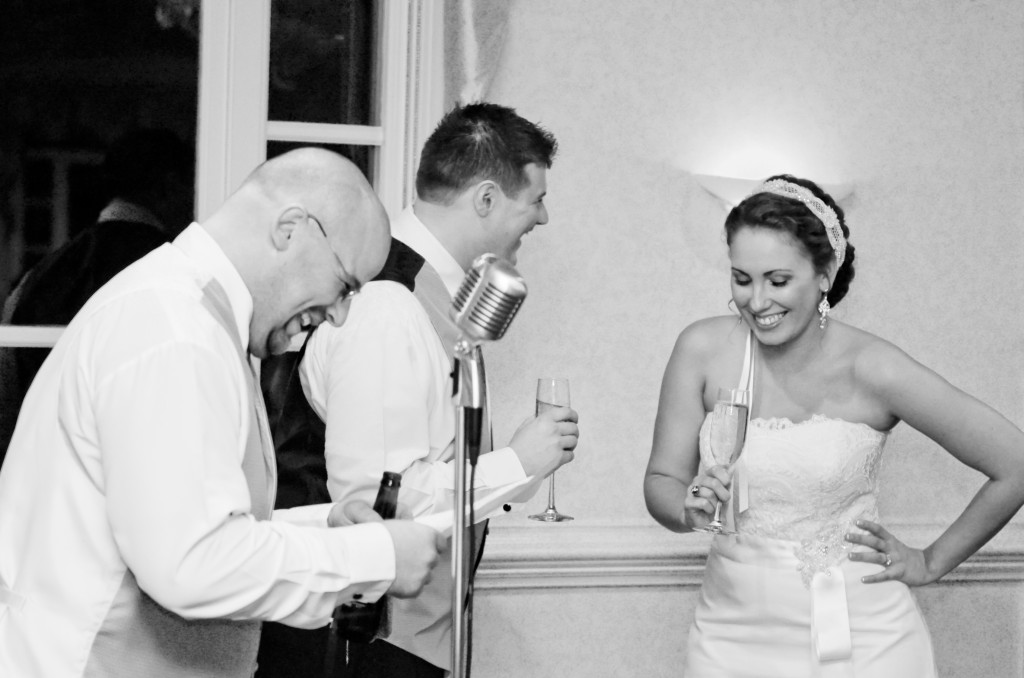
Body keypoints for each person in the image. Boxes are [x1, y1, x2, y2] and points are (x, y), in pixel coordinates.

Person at [0, 147, 444, 678]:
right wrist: (373, 558)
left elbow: (185, 519)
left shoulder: (196, 319)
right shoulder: (175, 332)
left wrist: (327, 528)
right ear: (290, 230)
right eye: (345, 285)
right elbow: (192, 564)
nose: (340, 315)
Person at [644, 174, 1024, 676]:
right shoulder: (701, 349)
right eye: (742, 278)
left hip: (864, 633)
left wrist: (930, 562)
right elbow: (662, 480)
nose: (757, 301)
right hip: (729, 632)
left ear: (824, 274)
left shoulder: (876, 367)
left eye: (778, 280)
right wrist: (686, 508)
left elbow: (1015, 464)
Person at [257, 102, 580, 678]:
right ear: (486, 199)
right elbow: (379, 498)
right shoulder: (387, 302)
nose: (544, 217)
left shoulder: (425, 294)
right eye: (535, 199)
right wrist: (515, 464)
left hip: (395, 640)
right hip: (357, 640)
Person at [0, 127, 195, 466]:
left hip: (41, 463)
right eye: (190, 185)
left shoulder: (41, 275)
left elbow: (8, 384)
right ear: (169, 186)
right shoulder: (177, 272)